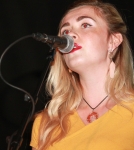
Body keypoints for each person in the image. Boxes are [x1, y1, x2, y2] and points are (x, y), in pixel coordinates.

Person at [30, 0, 134, 149]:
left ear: (112, 41)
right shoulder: (46, 123)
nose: (70, 34)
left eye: (85, 25)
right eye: (65, 31)